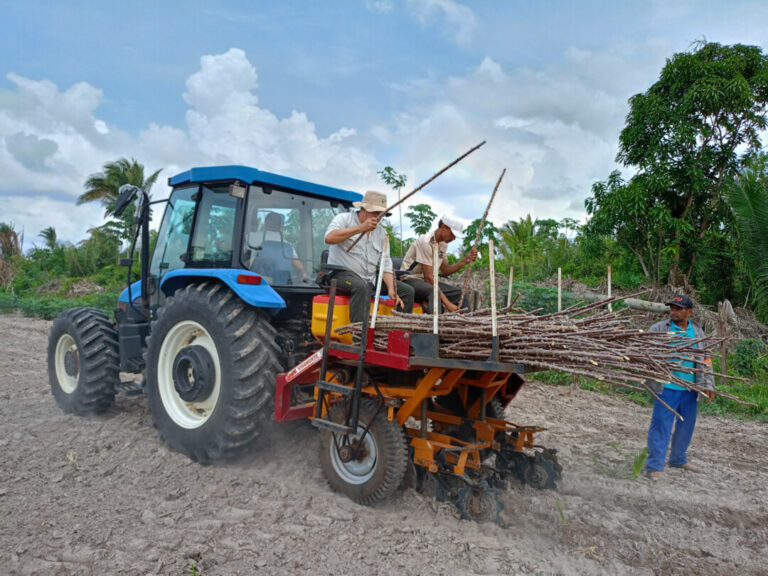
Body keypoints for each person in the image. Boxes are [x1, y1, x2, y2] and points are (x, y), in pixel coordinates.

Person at [644, 294, 715, 480]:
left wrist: (709, 384)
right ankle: (654, 466)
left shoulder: (698, 332)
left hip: (690, 388)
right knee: (661, 426)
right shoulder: (659, 329)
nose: (674, 311)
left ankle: (678, 459)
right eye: (672, 308)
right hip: (666, 387)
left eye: (678, 308)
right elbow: (645, 353)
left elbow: (706, 360)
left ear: (689, 312)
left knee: (686, 426)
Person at [324, 190, 414, 323]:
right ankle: (359, 338)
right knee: (361, 287)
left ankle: (399, 335)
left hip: (369, 278)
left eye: (380, 214)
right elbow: (329, 238)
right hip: (341, 274)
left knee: (407, 290)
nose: (378, 217)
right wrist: (361, 228)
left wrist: (391, 288)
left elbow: (386, 263)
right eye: (375, 213)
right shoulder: (343, 219)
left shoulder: (382, 233)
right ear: (364, 209)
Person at [400, 216, 478, 313]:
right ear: (444, 227)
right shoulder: (425, 242)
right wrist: (448, 304)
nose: (453, 238)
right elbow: (429, 278)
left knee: (459, 293)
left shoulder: (443, 245)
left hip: (426, 281)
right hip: (410, 279)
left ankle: (464, 323)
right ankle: (436, 323)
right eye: (452, 234)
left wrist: (465, 260)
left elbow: (445, 271)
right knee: (433, 292)